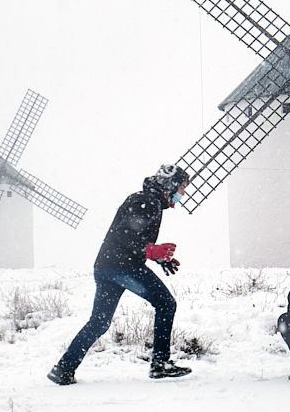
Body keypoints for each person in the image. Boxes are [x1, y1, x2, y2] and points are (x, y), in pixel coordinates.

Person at [48, 165, 193, 385]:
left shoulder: (144, 199)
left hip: (106, 267)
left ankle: (64, 368)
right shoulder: (148, 202)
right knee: (165, 304)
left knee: (99, 322)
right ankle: (160, 363)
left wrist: (159, 257)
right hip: (123, 267)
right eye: (182, 187)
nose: (183, 193)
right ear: (171, 185)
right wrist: (151, 250)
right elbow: (126, 237)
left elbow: (130, 239)